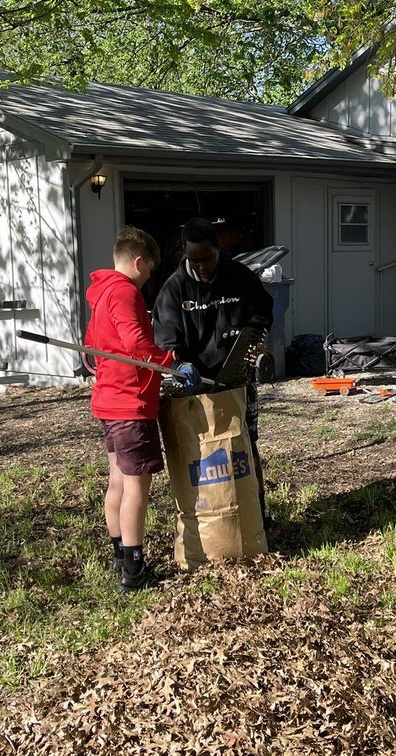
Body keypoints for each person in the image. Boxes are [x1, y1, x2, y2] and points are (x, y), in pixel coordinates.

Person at [152, 217, 275, 531]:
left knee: (246, 443)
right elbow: (167, 344)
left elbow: (262, 312)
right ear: (184, 253)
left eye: (207, 258)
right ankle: (212, 517)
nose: (202, 266)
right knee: (205, 452)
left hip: (236, 377)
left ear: (218, 247)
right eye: (194, 260)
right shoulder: (174, 290)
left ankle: (256, 512)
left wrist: (252, 342)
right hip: (197, 384)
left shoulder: (240, 277)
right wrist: (179, 365)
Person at [85, 226, 178, 591]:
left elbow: (91, 344)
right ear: (138, 262)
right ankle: (134, 571)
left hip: (109, 399)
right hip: (129, 404)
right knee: (137, 486)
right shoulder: (124, 292)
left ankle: (119, 557)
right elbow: (137, 342)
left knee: (118, 482)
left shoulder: (102, 292)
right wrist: (169, 362)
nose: (150, 277)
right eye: (151, 270)